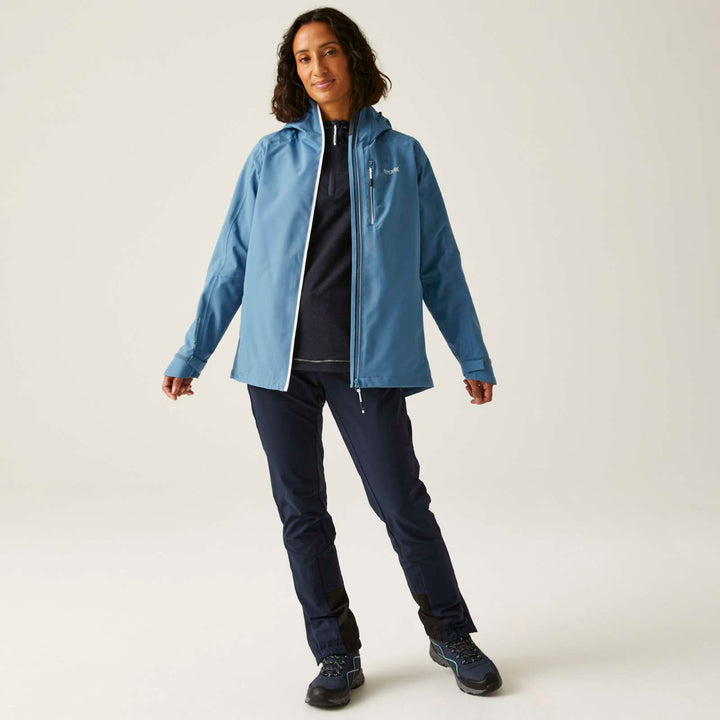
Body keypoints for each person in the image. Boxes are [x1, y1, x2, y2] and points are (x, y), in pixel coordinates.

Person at [162, 7, 502, 708]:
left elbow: (438, 263)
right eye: (303, 58)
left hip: (367, 366)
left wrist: (471, 354)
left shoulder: (404, 155)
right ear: (294, 71)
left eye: (328, 52)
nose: (317, 67)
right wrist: (193, 350)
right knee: (303, 515)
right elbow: (233, 260)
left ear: (352, 57)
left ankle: (451, 634)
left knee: (402, 505)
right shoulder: (271, 156)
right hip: (277, 370)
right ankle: (335, 652)